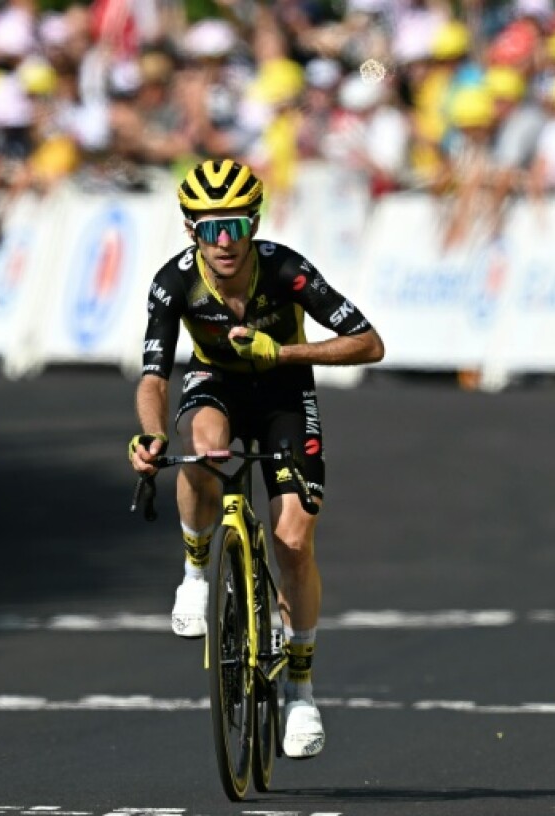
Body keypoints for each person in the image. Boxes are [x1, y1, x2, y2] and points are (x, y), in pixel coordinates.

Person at [127, 159, 385, 760]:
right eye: (211, 229)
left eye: (236, 228)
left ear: (255, 224)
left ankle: (300, 689)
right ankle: (195, 572)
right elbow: (152, 378)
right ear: (191, 230)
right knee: (205, 442)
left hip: (283, 391)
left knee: (293, 541)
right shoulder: (174, 282)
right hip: (215, 382)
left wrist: (286, 350)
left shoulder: (285, 269)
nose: (225, 244)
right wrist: (149, 436)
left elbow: (370, 342)